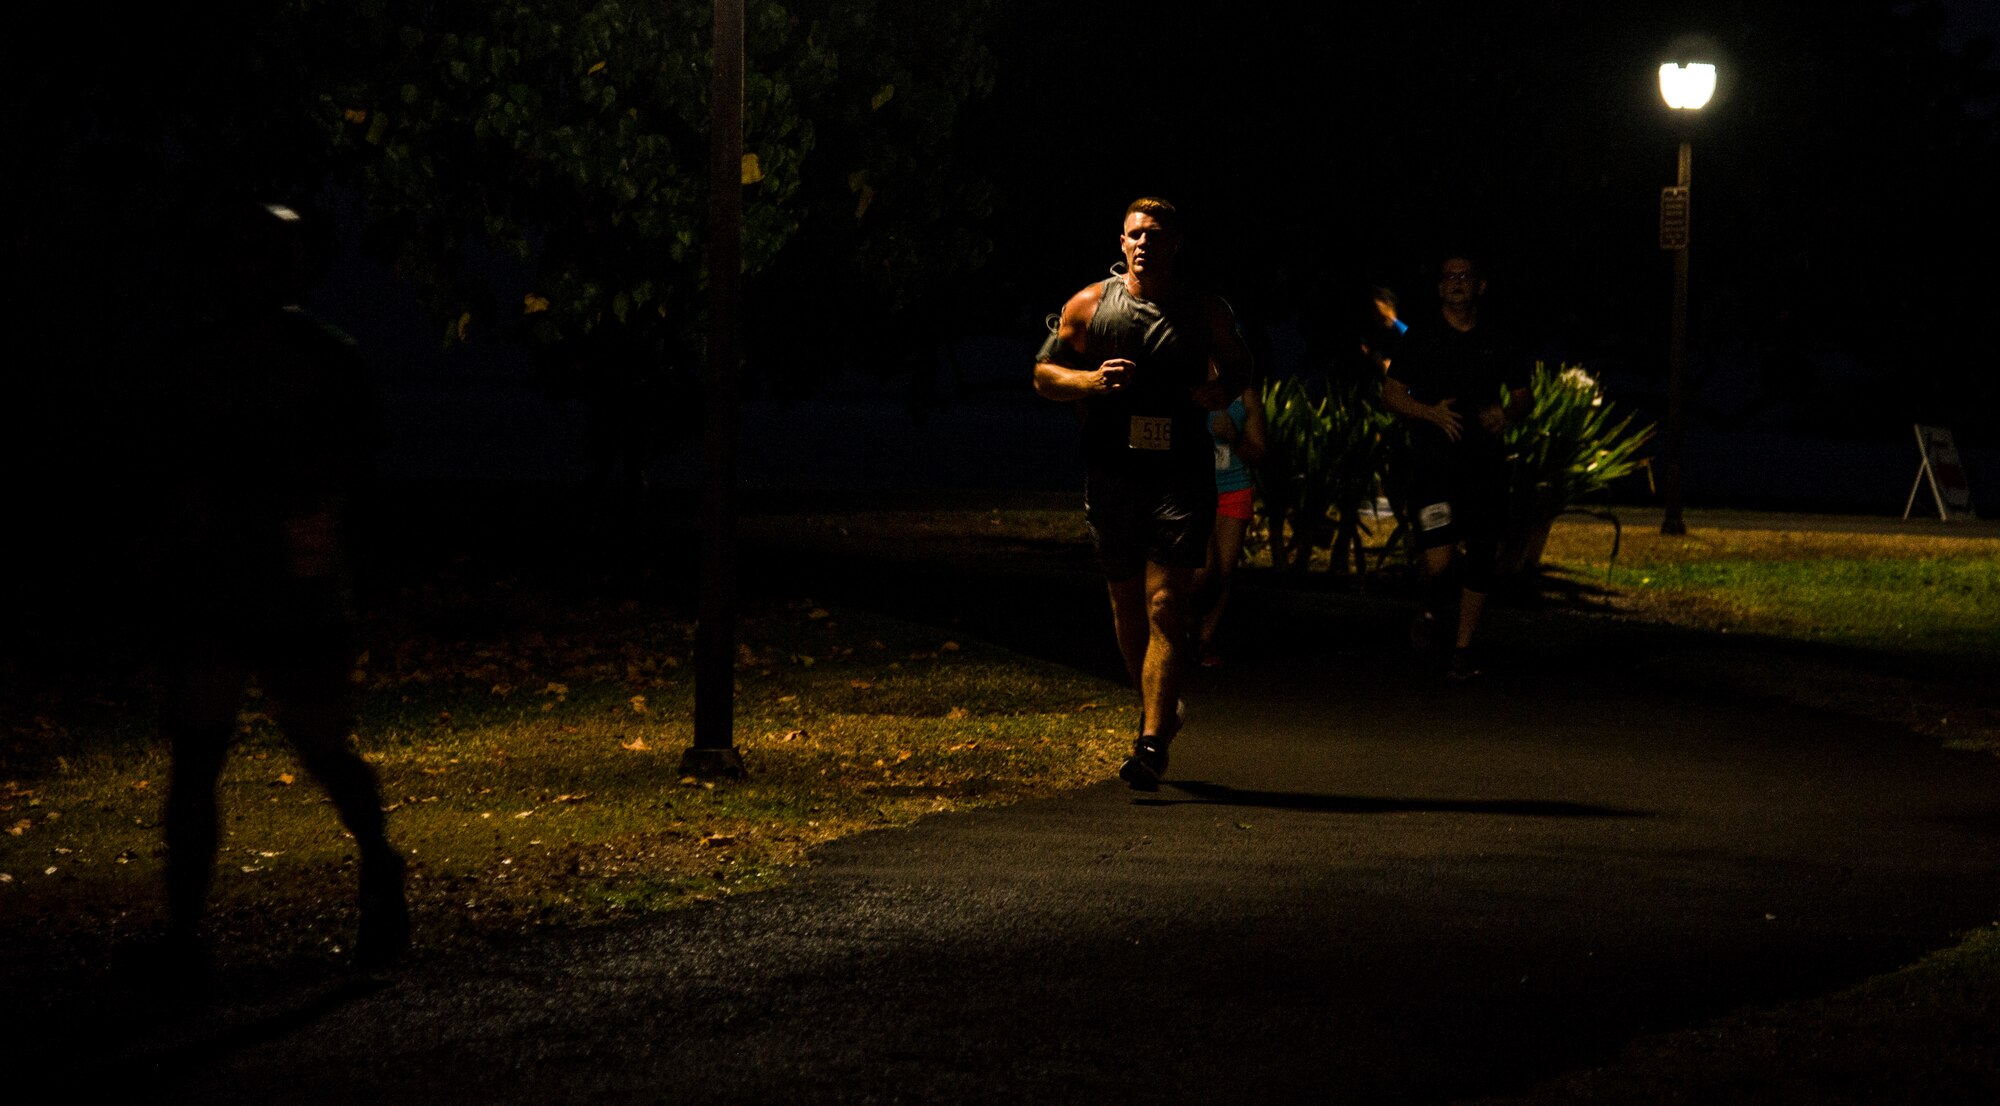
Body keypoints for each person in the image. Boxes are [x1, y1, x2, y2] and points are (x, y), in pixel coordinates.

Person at [137, 200, 409, 977]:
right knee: (217, 754)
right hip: (240, 583)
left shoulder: (282, 357)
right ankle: (190, 932)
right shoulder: (302, 356)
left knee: (288, 748)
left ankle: (373, 870)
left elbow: (352, 479)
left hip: (272, 585)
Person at [1033, 197, 1252, 790]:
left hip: (1180, 472)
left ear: (1175, 242)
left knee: (1164, 604)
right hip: (1112, 473)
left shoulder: (1205, 309)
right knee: (1127, 604)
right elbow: (1043, 374)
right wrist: (1090, 380)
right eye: (1133, 235)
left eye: (1153, 234)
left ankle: (1151, 743)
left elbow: (1238, 366)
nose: (1142, 244)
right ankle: (1157, 707)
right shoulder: (1089, 305)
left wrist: (1218, 389)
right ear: (1121, 242)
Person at [1380, 255, 1530, 681]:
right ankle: (1430, 607)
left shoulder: (1499, 336)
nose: (1457, 283)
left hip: (1484, 465)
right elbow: (1391, 394)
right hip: (1434, 465)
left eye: (1465, 277)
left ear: (1480, 286)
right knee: (1441, 562)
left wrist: (1506, 413)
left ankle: (1462, 651)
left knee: (1483, 555)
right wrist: (1430, 413)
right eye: (1449, 277)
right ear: (1440, 288)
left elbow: (1523, 396)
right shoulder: (1422, 337)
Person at [1193, 381, 1267, 667]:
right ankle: (1184, 627)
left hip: (1233, 488)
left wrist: (1233, 436)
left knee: (1224, 570)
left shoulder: (1245, 393)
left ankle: (1204, 638)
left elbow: (1259, 451)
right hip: (1197, 490)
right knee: (1202, 569)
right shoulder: (1190, 383)